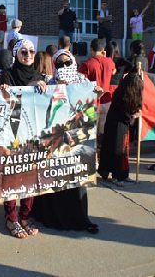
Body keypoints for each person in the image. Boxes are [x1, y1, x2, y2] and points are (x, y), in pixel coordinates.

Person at [30, 49, 100, 234]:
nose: (64, 67)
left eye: (67, 63)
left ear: (74, 63)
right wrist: (40, 86)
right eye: (59, 64)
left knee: (76, 181)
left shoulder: (83, 81)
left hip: (77, 140)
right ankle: (55, 218)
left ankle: (80, 219)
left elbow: (90, 108)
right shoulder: (50, 83)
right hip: (56, 141)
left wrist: (96, 95)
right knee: (57, 179)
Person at [0, 39, 46, 239]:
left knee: (30, 176)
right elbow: (6, 103)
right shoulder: (8, 75)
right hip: (12, 133)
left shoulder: (39, 76)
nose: (28, 55)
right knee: (12, 175)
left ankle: (25, 216)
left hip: (32, 134)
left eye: (31, 52)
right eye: (23, 52)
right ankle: (11, 218)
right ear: (16, 54)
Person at [98, 72, 143, 184]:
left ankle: (123, 174)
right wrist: (135, 116)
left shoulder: (127, 94)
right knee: (117, 151)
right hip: (116, 125)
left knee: (124, 151)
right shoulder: (121, 95)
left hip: (122, 125)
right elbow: (126, 116)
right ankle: (116, 176)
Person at [79, 39, 116, 144]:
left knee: (91, 132)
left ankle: (94, 156)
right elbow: (114, 71)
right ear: (103, 49)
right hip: (107, 99)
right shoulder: (109, 61)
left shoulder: (87, 64)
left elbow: (81, 82)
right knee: (104, 131)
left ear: (91, 49)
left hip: (93, 102)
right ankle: (103, 154)